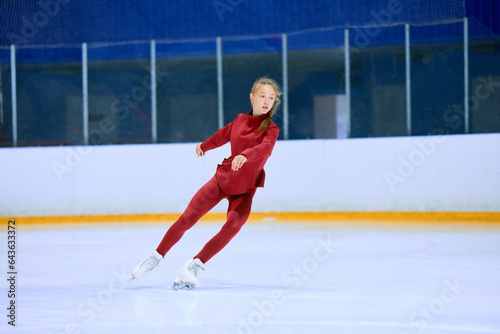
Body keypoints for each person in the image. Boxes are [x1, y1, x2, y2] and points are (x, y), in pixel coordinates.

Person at [132, 77, 281, 290]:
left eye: (271, 98)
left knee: (233, 226)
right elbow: (223, 135)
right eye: (262, 96)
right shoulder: (240, 120)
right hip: (223, 180)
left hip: (245, 190)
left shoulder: (271, 129)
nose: (267, 101)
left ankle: (194, 265)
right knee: (187, 218)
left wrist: (246, 155)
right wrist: (205, 145)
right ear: (252, 97)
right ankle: (156, 257)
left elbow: (265, 148)